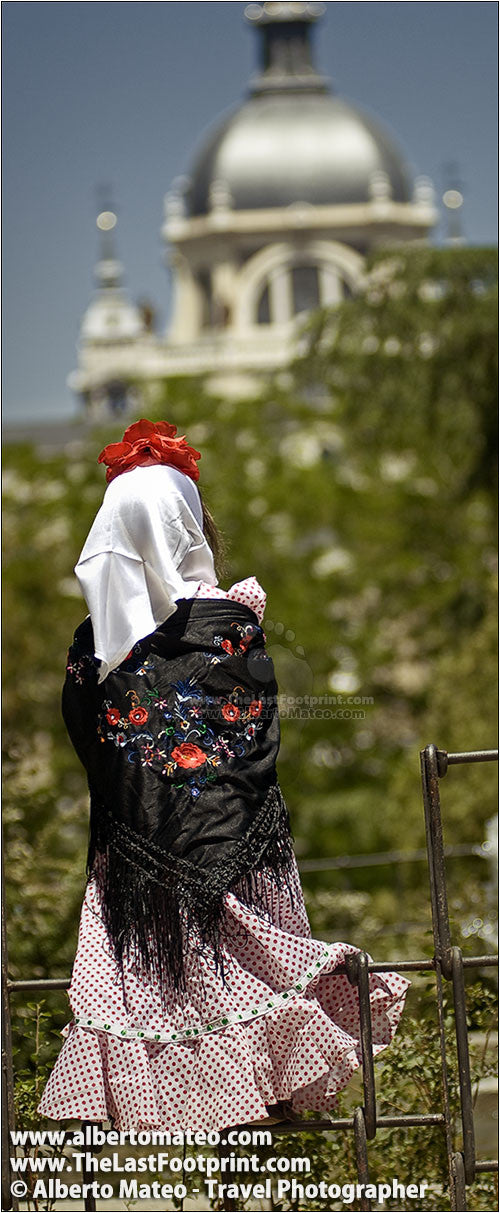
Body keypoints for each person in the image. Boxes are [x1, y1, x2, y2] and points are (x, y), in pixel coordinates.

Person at [39, 418, 408, 1132]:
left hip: (140, 899)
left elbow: (95, 745)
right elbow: (251, 746)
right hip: (241, 878)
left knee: (201, 1073)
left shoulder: (95, 654)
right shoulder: (231, 626)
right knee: (265, 1094)